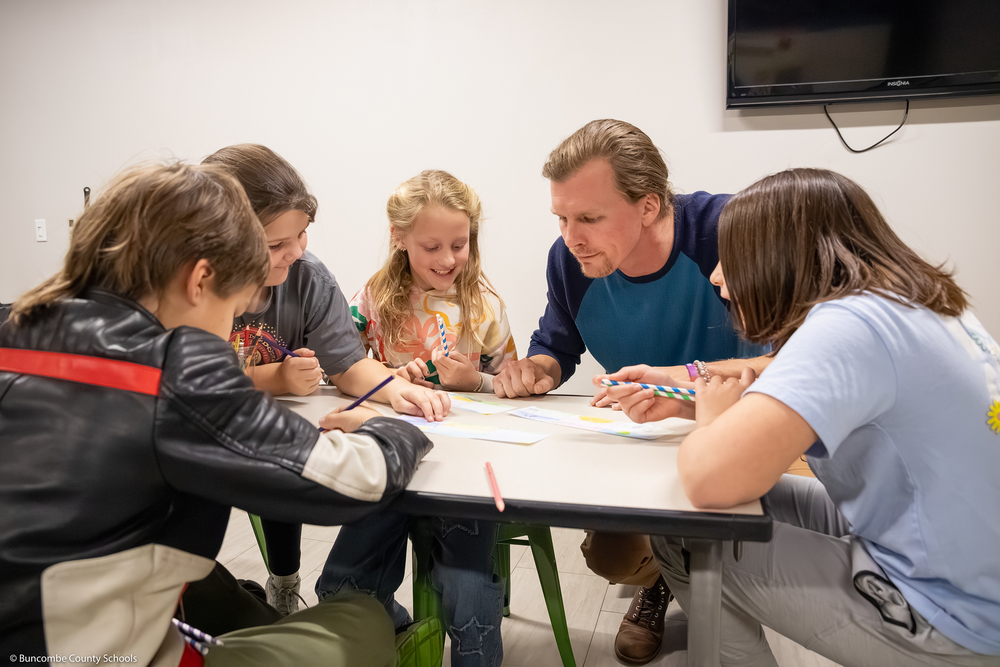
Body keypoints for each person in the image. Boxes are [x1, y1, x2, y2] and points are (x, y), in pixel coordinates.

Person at [0, 161, 433, 666]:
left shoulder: (19, 322)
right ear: (200, 280)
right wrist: (390, 429)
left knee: (220, 590)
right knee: (360, 618)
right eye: (234, 303)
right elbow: (355, 481)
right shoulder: (175, 369)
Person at [611, 168, 1000, 666]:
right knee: (731, 510)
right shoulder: (907, 301)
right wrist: (693, 394)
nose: (716, 276)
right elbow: (779, 377)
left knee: (690, 531)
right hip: (956, 559)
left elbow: (709, 479)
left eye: (731, 259)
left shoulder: (847, 329)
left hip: (950, 614)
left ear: (781, 258)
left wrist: (711, 418)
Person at [494, 119, 769, 664]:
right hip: (639, 433)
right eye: (562, 217)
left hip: (737, 427)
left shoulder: (731, 231)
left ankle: (708, 581)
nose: (572, 237)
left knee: (732, 551)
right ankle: (662, 579)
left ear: (648, 206)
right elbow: (557, 342)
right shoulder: (568, 259)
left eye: (590, 218)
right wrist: (538, 370)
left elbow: (794, 357)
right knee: (612, 557)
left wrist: (692, 386)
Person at [199, 145, 450, 615]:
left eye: (302, 235)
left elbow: (347, 363)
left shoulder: (306, 277)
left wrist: (396, 389)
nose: (295, 253)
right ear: (209, 263)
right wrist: (388, 428)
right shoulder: (186, 373)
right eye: (275, 246)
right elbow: (349, 479)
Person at [318, 170, 514, 667]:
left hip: (466, 473)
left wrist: (476, 384)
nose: (448, 259)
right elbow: (338, 367)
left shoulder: (485, 306)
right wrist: (386, 376)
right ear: (399, 237)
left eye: (460, 244)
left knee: (468, 597)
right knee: (340, 585)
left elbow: (515, 385)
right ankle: (404, 631)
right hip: (389, 465)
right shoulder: (374, 298)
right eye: (432, 246)